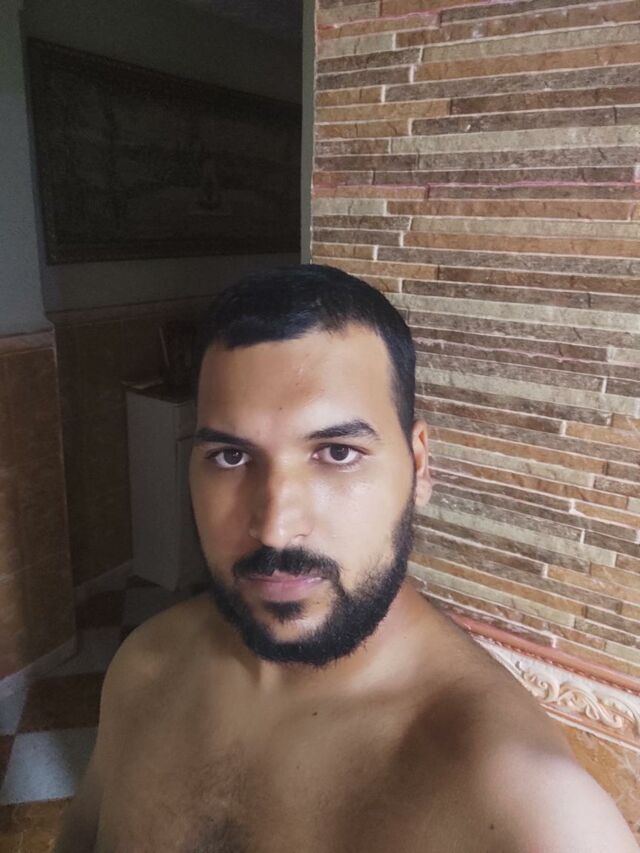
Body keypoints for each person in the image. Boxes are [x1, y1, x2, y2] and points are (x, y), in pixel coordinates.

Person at [56, 265, 638, 852]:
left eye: (337, 452)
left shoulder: (530, 811)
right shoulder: (145, 667)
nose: (275, 528)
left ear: (419, 466)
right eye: (231, 457)